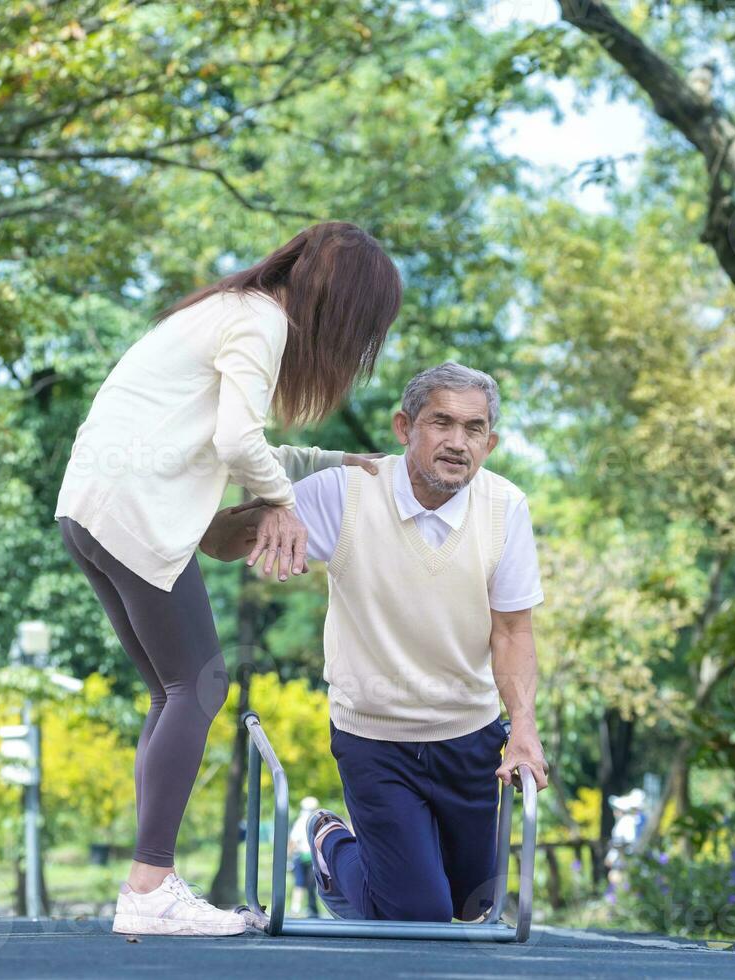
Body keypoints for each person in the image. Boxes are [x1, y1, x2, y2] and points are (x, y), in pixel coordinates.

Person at [54, 222, 402, 937]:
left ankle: (149, 883)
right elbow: (238, 443)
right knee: (200, 684)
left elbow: (233, 440)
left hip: (88, 508)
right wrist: (280, 504)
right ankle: (150, 887)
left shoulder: (225, 309)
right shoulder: (262, 322)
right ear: (343, 305)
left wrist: (331, 462)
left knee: (171, 690)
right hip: (137, 513)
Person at [202, 362, 550, 923]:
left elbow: (513, 631)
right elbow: (216, 545)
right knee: (420, 917)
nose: (458, 443)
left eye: (474, 428)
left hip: (470, 735)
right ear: (404, 427)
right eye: (441, 422)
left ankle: (406, 871)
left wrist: (525, 730)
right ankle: (331, 845)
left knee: (472, 906)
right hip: (374, 737)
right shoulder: (347, 492)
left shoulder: (504, 507)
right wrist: (270, 510)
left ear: (491, 441)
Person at [288, 797, 323, 918]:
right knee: (309, 884)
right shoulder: (315, 821)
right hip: (310, 857)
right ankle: (309, 908)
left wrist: (289, 856)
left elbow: (293, 841)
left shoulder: (301, 820)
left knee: (301, 883)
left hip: (303, 856)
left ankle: (298, 908)